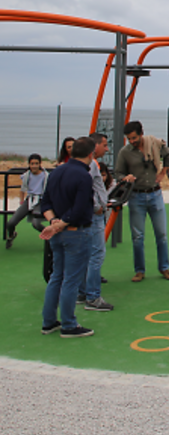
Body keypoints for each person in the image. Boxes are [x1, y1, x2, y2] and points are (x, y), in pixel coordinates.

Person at [38, 136, 97, 338]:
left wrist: (54, 222)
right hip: (75, 233)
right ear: (91, 154)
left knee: (57, 276)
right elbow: (80, 210)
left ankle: (48, 321)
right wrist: (61, 224)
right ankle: (69, 324)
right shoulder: (83, 176)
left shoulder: (57, 172)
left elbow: (45, 203)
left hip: (58, 233)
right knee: (71, 280)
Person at [114, 120, 169, 282]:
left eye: (134, 138)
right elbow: (118, 173)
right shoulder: (125, 152)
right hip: (136, 196)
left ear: (141, 133)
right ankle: (139, 270)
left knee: (162, 234)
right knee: (137, 236)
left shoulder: (154, 144)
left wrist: (163, 172)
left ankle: (164, 268)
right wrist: (125, 177)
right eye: (129, 139)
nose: (132, 141)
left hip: (155, 194)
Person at [77, 133, 113, 311]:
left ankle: (83, 291)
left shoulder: (91, 165)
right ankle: (92, 296)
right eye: (104, 145)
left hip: (92, 213)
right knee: (96, 254)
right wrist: (97, 206)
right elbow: (87, 188)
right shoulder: (90, 165)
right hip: (94, 215)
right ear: (94, 147)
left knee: (86, 254)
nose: (106, 149)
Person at [5, 153, 48, 249]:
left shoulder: (45, 176)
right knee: (11, 222)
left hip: (40, 200)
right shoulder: (26, 175)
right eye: (32, 164)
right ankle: (11, 235)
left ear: (40, 164)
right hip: (29, 200)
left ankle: (50, 237)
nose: (34, 166)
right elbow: (23, 189)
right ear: (29, 164)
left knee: (36, 223)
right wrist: (21, 202)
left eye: (36, 163)